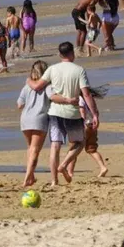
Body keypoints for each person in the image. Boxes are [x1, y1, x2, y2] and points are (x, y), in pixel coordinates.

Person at [25, 42, 99, 186]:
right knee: (80, 142)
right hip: (73, 113)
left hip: (55, 112)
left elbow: (37, 86)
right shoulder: (79, 70)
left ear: (60, 54)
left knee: (55, 146)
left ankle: (54, 181)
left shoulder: (52, 69)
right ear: (72, 53)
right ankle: (64, 164)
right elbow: (86, 94)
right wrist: (94, 114)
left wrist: (28, 80)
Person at [17, 61, 51, 188]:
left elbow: (19, 104)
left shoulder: (26, 87)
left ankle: (31, 177)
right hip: (39, 118)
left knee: (30, 147)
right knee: (35, 149)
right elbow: (53, 98)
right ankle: (28, 176)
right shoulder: (48, 86)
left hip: (25, 118)